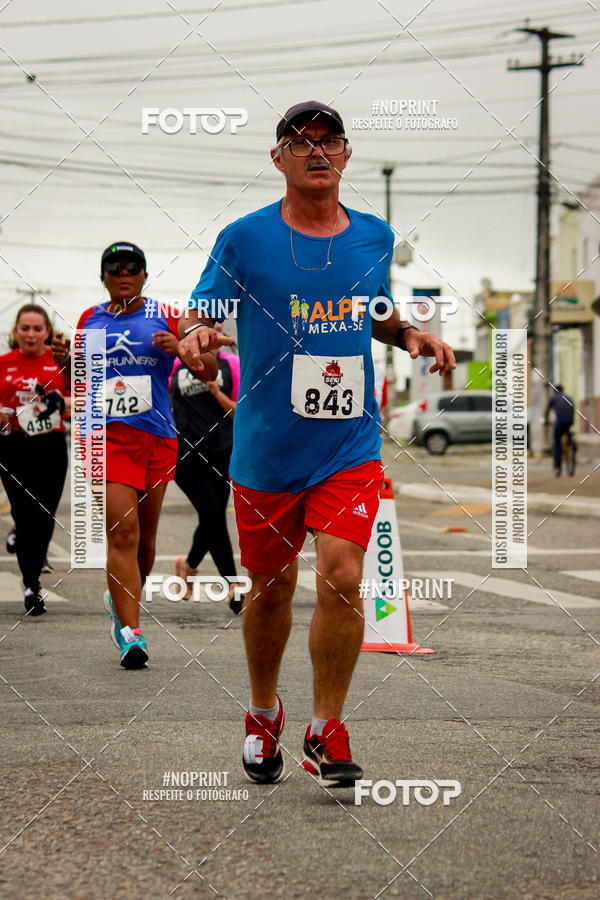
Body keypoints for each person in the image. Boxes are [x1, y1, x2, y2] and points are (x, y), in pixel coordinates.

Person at [179, 101, 455, 787]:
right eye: (300, 143)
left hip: (348, 447)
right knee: (270, 591)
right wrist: (198, 337)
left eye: (329, 140)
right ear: (279, 159)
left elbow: (374, 306)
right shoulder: (244, 238)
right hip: (268, 449)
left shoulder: (373, 236)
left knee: (344, 575)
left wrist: (410, 333)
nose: (316, 151)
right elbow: (202, 312)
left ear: (346, 154)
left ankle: (326, 726)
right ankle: (264, 712)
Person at [52, 242, 218, 668]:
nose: (123, 272)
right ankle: (130, 632)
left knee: (145, 541)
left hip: (158, 437)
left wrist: (184, 351)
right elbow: (80, 382)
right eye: (114, 266)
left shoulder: (165, 315)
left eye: (133, 267)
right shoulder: (90, 319)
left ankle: (120, 598)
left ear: (145, 275)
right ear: (103, 276)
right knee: (122, 534)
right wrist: (67, 363)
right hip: (107, 439)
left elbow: (210, 370)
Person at [0, 304, 70, 616]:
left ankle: (33, 581)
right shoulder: (3, 363)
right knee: (26, 515)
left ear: (46, 331)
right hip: (12, 447)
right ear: (15, 332)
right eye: (24, 328)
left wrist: (60, 402)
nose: (30, 334)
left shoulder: (60, 364)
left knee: (43, 516)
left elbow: (82, 399)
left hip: (51, 447)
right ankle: (31, 583)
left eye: (37, 329)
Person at [170, 322, 241, 611]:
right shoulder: (176, 362)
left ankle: (187, 565)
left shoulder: (232, 364)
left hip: (223, 451)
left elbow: (239, 411)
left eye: (217, 324)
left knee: (210, 517)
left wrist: (216, 392)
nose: (213, 327)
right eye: (206, 323)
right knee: (212, 513)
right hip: (185, 453)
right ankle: (233, 584)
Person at [546, 383, 575, 475]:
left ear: (555, 391)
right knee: (567, 431)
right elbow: (572, 409)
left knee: (557, 441)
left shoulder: (553, 398)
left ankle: (557, 465)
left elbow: (547, 410)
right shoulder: (569, 397)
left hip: (560, 422)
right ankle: (571, 446)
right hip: (570, 422)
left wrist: (546, 420)